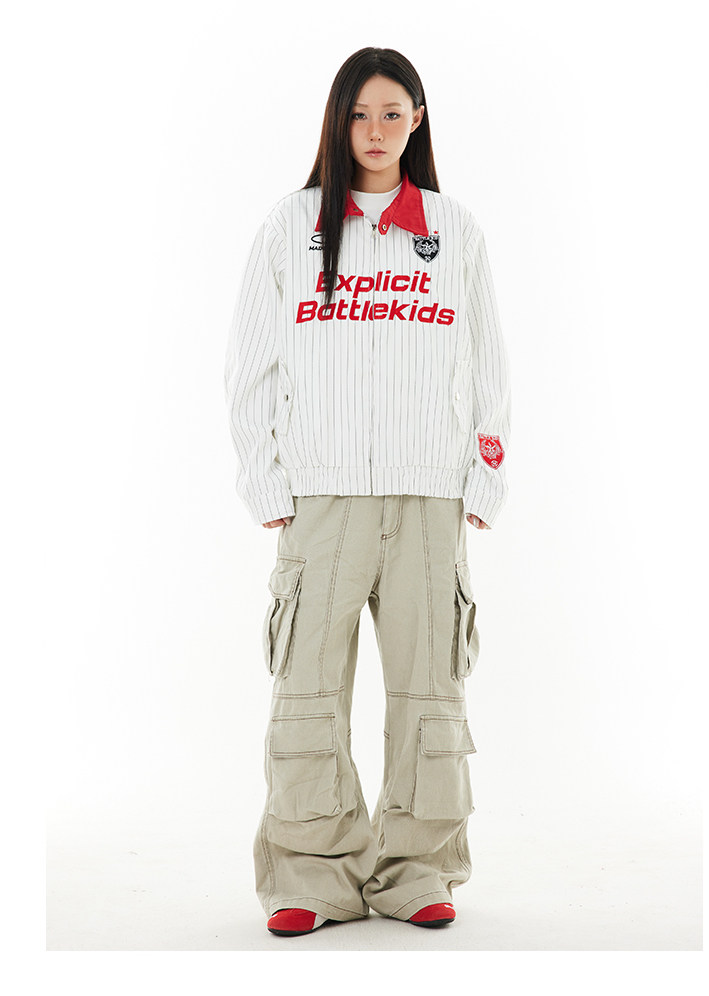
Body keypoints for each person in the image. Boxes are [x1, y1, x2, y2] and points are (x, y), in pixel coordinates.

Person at [224, 46, 511, 938]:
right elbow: (249, 363)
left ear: (417, 120)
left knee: (430, 693)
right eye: (359, 114)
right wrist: (265, 476)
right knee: (307, 691)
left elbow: (489, 363)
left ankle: (417, 869)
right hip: (322, 499)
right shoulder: (294, 226)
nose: (376, 131)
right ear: (337, 121)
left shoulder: (454, 231)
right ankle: (313, 874)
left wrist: (486, 473)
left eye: (392, 113)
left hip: (429, 499)